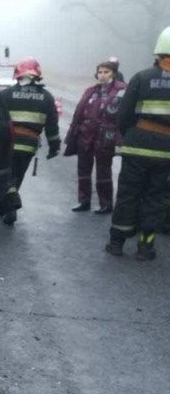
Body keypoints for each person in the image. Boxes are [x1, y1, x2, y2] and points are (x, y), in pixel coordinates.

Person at [105, 27, 170, 260]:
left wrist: (131, 135)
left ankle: (116, 243)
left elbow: (123, 116)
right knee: (156, 197)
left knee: (128, 193)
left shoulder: (141, 77)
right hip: (166, 153)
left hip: (136, 147)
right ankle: (145, 247)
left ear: (158, 52)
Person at [0, 57, 61, 224]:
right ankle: (4, 207)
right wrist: (54, 146)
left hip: (7, 143)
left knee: (5, 176)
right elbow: (52, 126)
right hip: (29, 145)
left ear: (17, 75)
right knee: (17, 176)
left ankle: (9, 206)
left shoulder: (6, 94)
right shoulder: (47, 97)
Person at [63, 59, 126, 213]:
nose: (102, 75)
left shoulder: (121, 90)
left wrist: (121, 138)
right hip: (85, 136)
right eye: (100, 72)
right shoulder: (91, 91)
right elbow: (78, 114)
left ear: (114, 74)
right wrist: (73, 134)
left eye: (106, 72)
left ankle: (106, 203)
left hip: (105, 137)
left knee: (104, 171)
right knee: (83, 170)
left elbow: (125, 116)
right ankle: (84, 201)